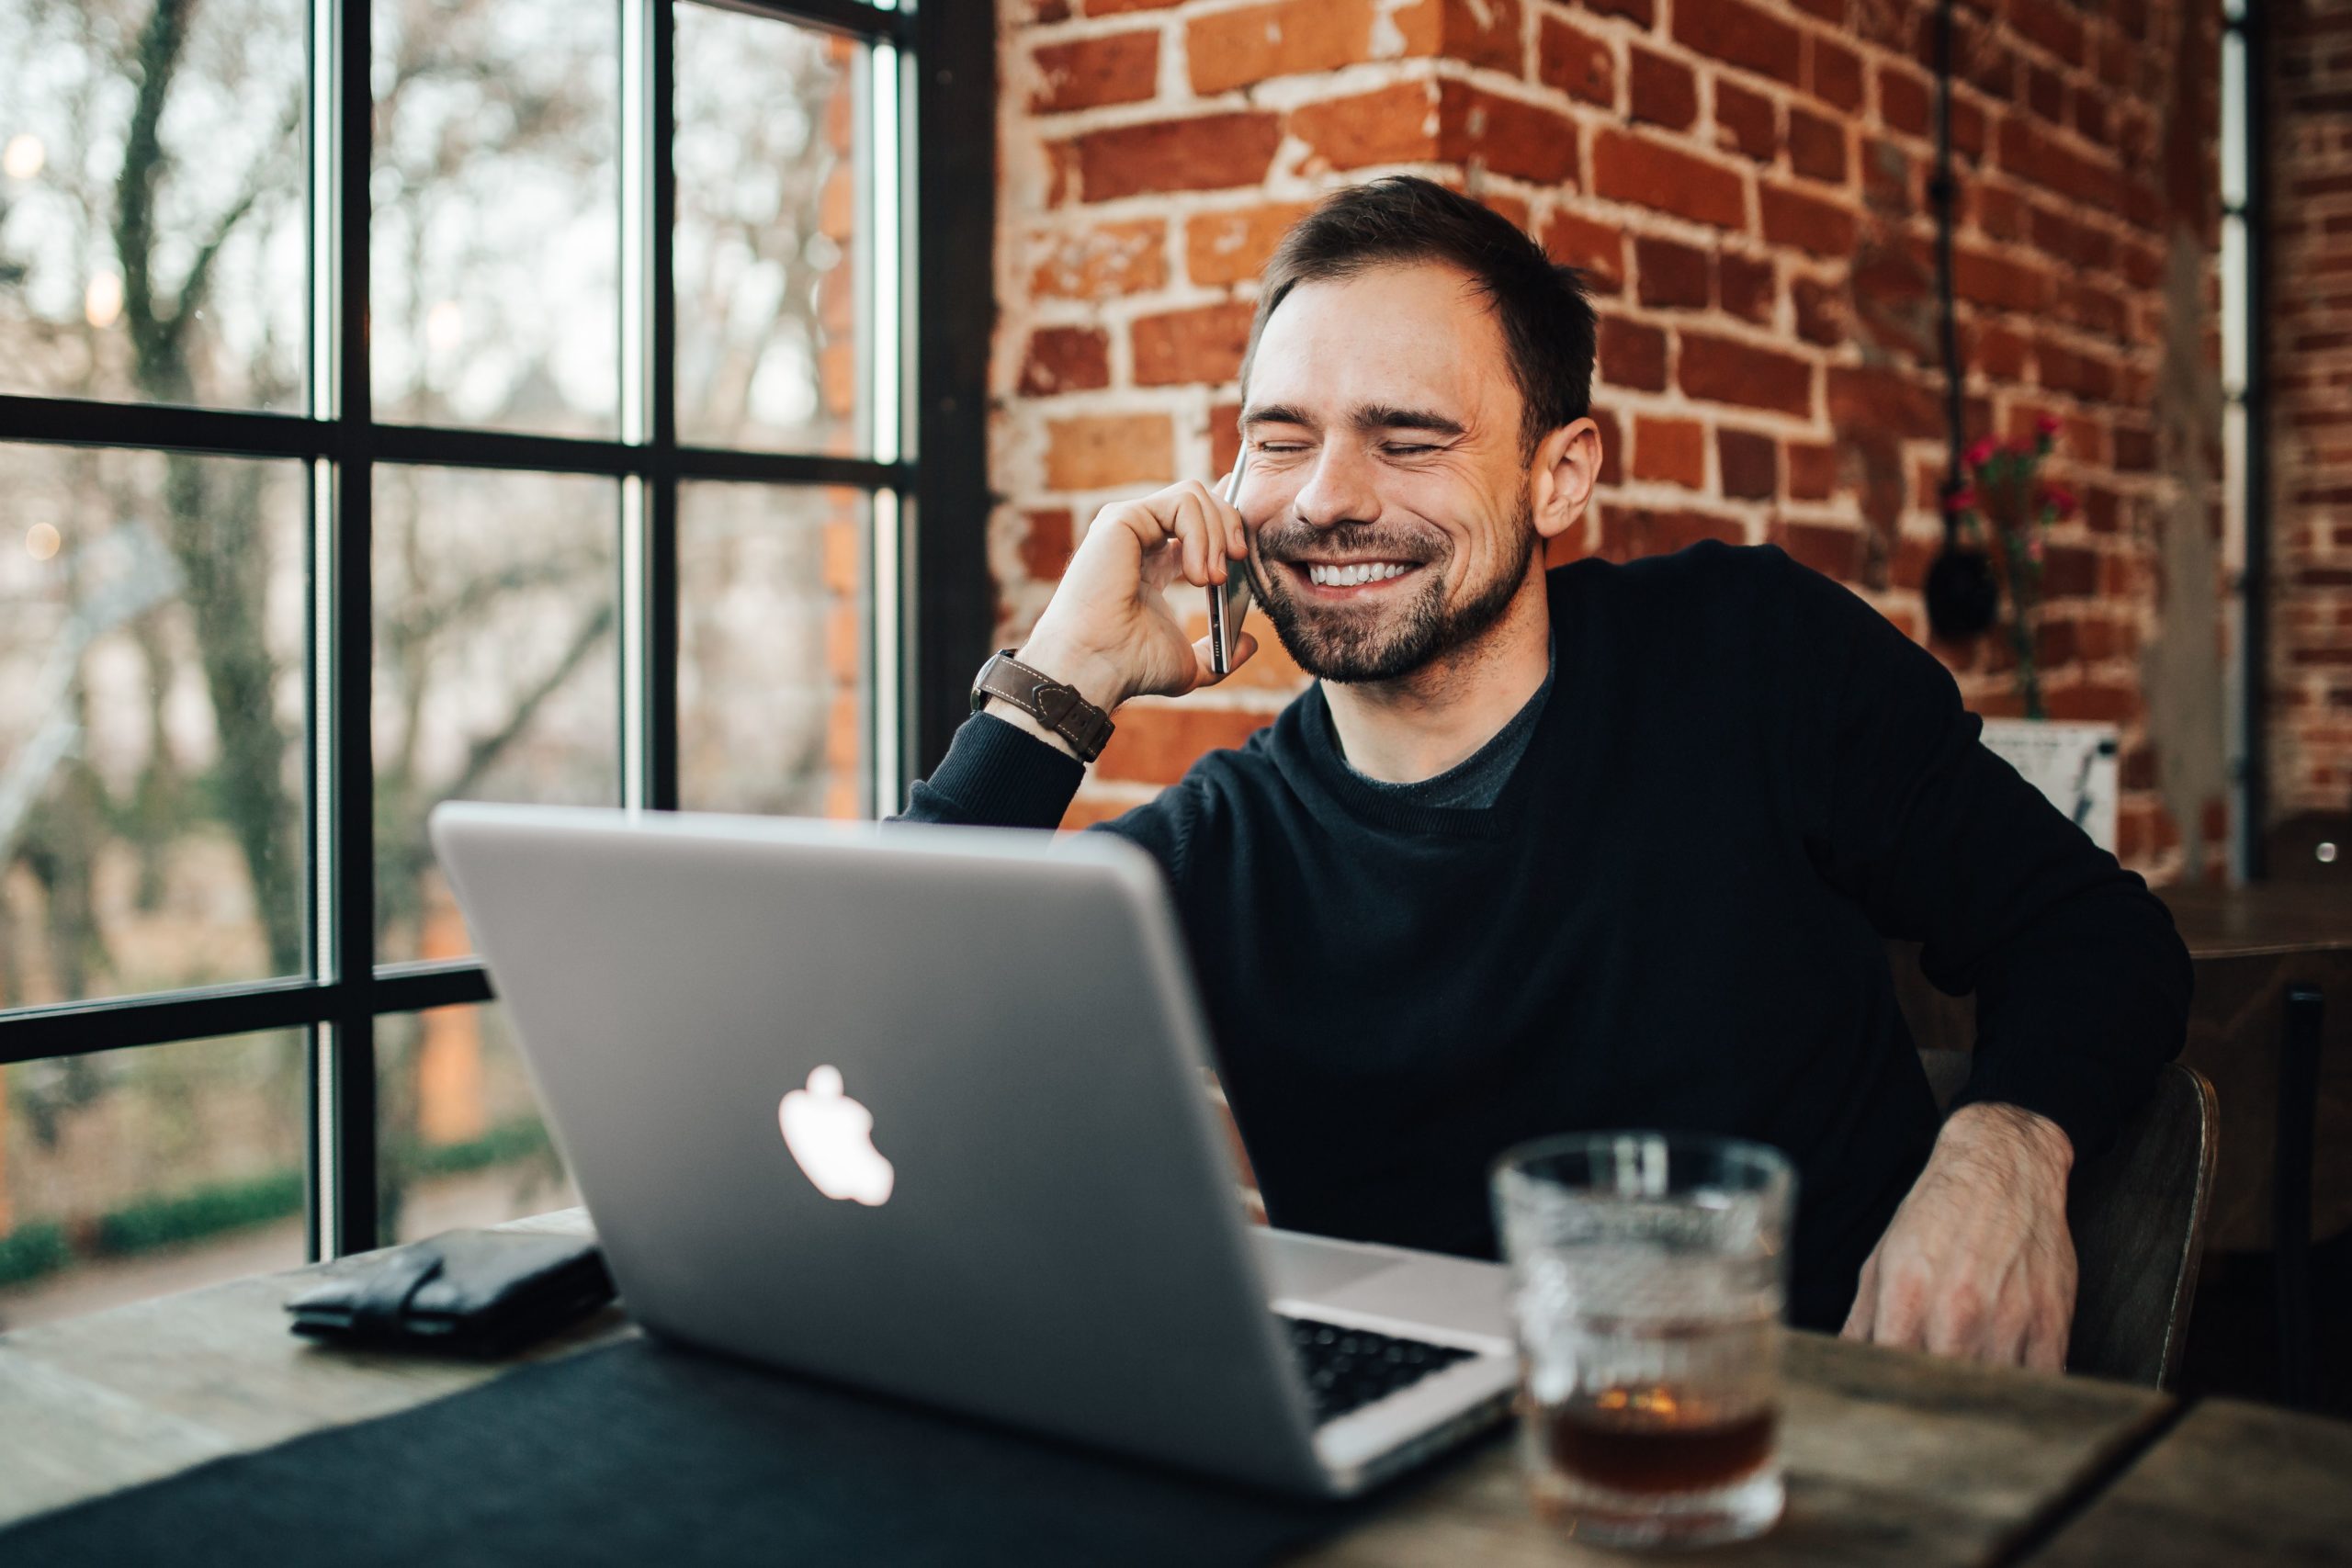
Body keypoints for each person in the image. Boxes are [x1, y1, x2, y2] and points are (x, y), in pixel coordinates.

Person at [899, 175, 2190, 1369]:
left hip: (1828, 1436)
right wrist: (1057, 685)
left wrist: (2003, 1148)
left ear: (1560, 473)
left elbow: (2093, 933)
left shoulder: (1751, 654)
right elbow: (869, 1043)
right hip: (1430, 1491)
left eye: (1407, 440)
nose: (1325, 500)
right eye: (1281, 440)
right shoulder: (1212, 855)